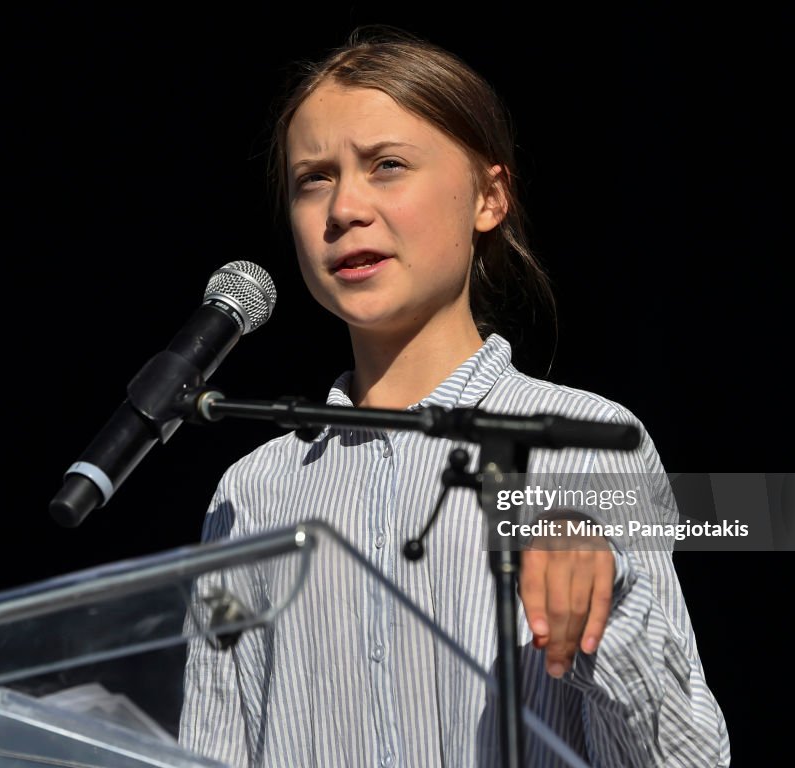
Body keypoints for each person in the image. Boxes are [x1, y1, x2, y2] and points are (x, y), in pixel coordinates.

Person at [179, 25, 730, 767]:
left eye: (387, 165)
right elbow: (209, 749)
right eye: (314, 178)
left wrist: (612, 601)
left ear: (488, 198)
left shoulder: (590, 441)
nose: (344, 208)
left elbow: (685, 760)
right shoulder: (251, 493)